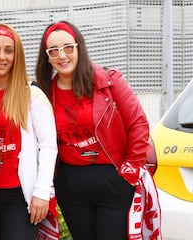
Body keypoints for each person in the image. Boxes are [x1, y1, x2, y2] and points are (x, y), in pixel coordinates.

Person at [35, 21, 162, 240]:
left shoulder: (110, 81)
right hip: (71, 184)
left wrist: (129, 172)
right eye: (53, 51)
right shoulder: (44, 93)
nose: (61, 55)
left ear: (78, 48)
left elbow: (138, 124)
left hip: (113, 179)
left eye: (67, 48)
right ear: (47, 57)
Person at [0, 22, 59, 240]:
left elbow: (49, 146)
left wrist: (41, 193)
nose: (1, 57)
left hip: (20, 197)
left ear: (17, 56)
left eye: (8, 50)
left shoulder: (31, 95)